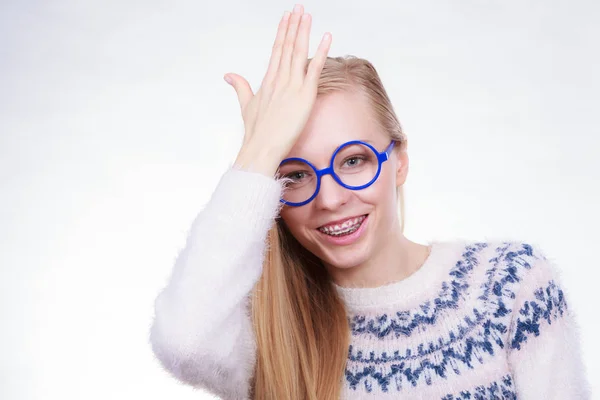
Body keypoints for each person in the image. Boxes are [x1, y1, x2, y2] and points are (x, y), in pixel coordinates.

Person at [148, 4, 590, 399]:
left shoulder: (508, 287)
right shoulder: (268, 332)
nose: (331, 199)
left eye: (354, 160)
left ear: (399, 161)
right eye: (296, 175)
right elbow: (184, 340)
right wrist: (258, 155)